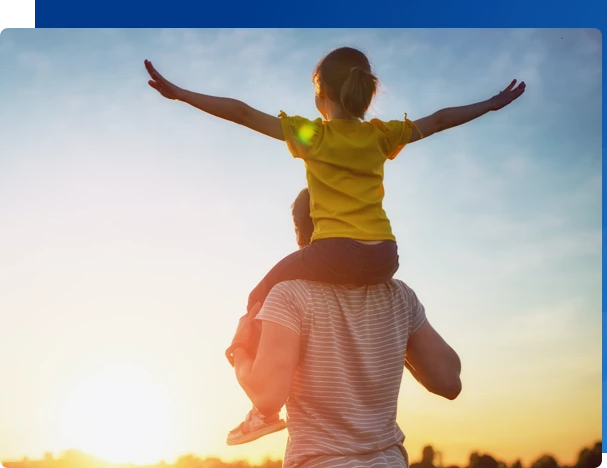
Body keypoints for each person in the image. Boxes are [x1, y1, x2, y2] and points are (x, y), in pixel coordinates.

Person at [144, 46, 525, 442]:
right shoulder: (382, 135)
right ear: (365, 92)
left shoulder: (315, 135)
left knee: (260, 293)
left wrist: (184, 94)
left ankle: (264, 410)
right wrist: (492, 104)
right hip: (384, 256)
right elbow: (442, 119)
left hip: (334, 252)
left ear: (320, 94)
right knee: (299, 284)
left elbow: (242, 113)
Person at [227, 186, 463, 467]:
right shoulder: (399, 296)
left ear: (301, 236)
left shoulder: (289, 295)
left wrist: (238, 349)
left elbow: (267, 398)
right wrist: (396, 339)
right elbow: (449, 381)